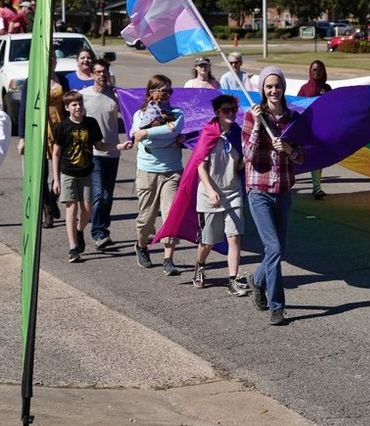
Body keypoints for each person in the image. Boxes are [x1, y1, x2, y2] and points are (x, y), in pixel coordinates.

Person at [244, 66, 305, 326]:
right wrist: (258, 125)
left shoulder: (293, 118)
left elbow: (302, 157)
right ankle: (277, 306)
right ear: (262, 89)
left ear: (283, 88)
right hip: (259, 190)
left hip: (283, 191)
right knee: (275, 248)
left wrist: (289, 149)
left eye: (277, 85)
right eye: (268, 86)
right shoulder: (252, 115)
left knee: (277, 249)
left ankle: (256, 280)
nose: (273, 90)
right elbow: (247, 155)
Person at [51, 91, 128, 262]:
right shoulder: (62, 127)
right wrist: (56, 179)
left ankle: (79, 231)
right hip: (68, 173)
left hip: (86, 172)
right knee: (71, 209)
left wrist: (119, 146)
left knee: (87, 210)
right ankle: (73, 247)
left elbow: (100, 146)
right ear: (67, 108)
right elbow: (56, 153)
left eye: (80, 104)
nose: (78, 107)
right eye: (74, 105)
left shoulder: (91, 123)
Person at [191, 94, 251, 296]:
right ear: (217, 113)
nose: (232, 113)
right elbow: (200, 166)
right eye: (227, 110)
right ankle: (200, 265)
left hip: (233, 192)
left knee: (234, 237)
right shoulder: (209, 133)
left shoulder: (238, 134)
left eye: (234, 110)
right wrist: (210, 191)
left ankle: (233, 280)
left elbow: (239, 166)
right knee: (208, 241)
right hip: (210, 195)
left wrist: (247, 159)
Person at [130, 75, 184, 275]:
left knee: (171, 216)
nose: (165, 95)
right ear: (150, 93)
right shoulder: (139, 115)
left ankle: (168, 259)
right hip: (148, 171)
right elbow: (142, 139)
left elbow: (174, 128)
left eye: (169, 91)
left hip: (172, 171)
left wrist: (149, 132)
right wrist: (165, 135)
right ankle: (141, 245)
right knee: (146, 218)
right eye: (161, 91)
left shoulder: (177, 113)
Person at [80, 58, 127, 250]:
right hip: (93, 152)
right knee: (98, 194)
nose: (101, 75)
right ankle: (98, 233)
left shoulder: (115, 95)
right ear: (92, 75)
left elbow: (131, 113)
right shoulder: (83, 95)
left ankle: (103, 230)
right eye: (98, 72)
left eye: (104, 72)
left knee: (108, 195)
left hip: (113, 151)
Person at [18, 55, 69, 228]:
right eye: (47, 57)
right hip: (39, 131)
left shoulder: (62, 79)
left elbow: (69, 104)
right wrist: (22, 137)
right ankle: (47, 209)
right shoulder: (31, 80)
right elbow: (23, 110)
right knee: (41, 174)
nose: (50, 60)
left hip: (60, 130)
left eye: (53, 57)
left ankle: (53, 199)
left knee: (61, 171)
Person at [297, 60, 332, 199]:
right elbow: (297, 107)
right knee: (301, 157)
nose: (316, 72)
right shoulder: (304, 89)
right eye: (314, 70)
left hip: (320, 129)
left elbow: (332, 107)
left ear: (323, 72)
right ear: (310, 71)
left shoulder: (327, 88)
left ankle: (317, 188)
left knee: (317, 158)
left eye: (319, 70)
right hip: (306, 129)